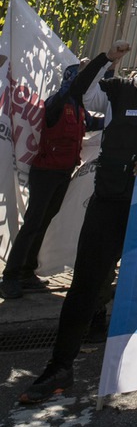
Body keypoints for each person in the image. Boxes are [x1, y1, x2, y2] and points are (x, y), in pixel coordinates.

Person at [19, 33, 137, 405]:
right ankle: (59, 369)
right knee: (86, 285)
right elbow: (79, 92)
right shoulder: (117, 88)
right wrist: (106, 57)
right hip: (110, 200)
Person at [1, 62, 87, 300]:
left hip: (63, 173)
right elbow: (57, 101)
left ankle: (28, 272)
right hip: (45, 173)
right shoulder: (56, 103)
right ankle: (10, 276)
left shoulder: (80, 107)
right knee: (32, 224)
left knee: (44, 222)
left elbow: (95, 123)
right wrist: (71, 81)